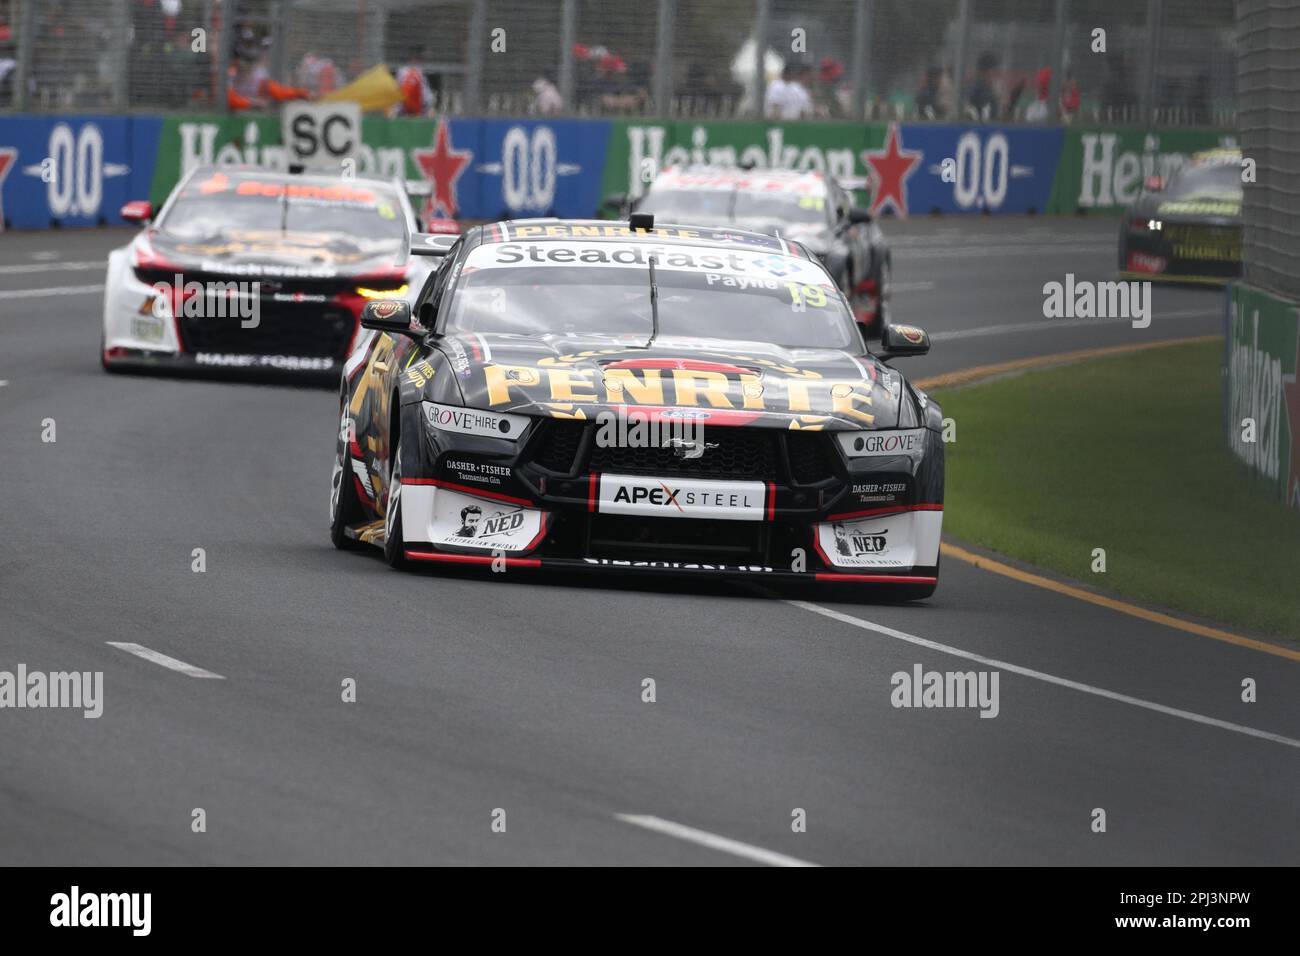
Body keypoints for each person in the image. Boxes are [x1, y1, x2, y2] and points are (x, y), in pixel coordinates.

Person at [966, 52, 999, 121]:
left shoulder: (989, 87)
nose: (995, 73)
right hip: (980, 122)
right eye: (993, 69)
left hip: (990, 121)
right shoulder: (976, 86)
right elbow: (968, 106)